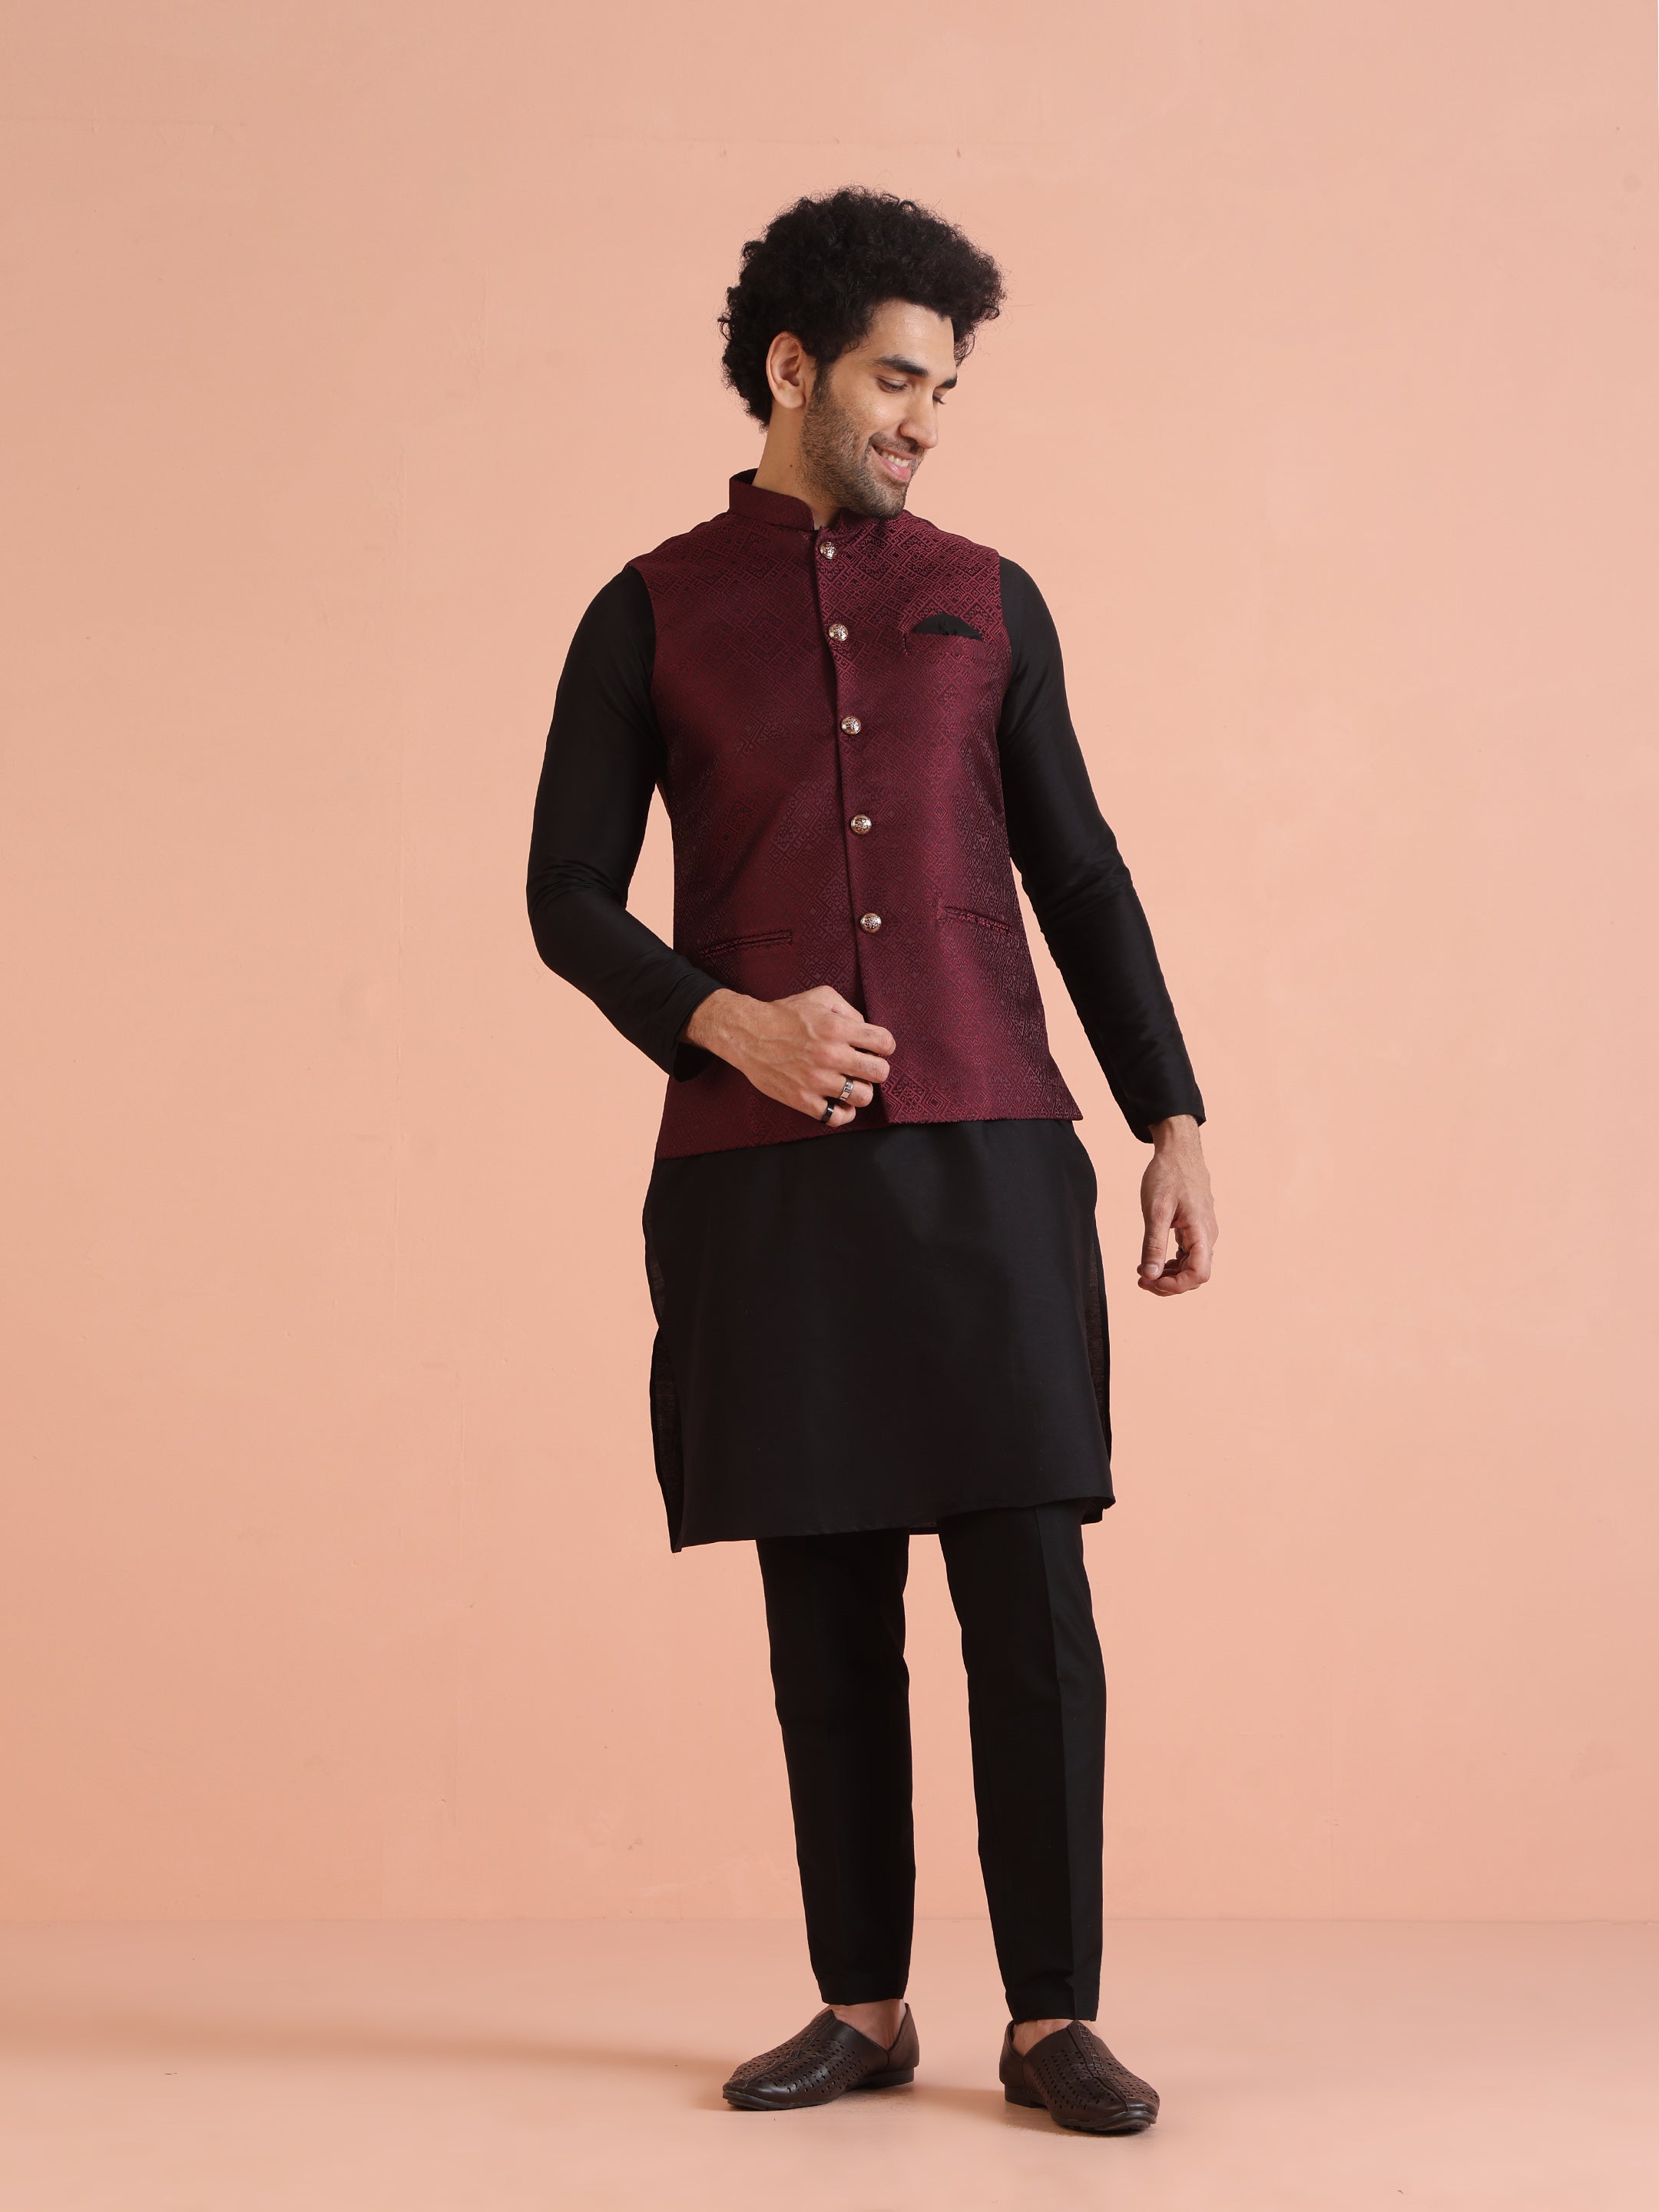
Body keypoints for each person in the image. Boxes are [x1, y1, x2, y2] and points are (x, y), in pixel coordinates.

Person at [525, 186, 1217, 2137]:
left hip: (993, 1146)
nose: (924, 419)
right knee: (823, 1599)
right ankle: (864, 2005)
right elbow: (564, 893)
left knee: (1029, 1596)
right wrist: (721, 1020)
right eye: (898, 379)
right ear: (791, 368)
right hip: (760, 1166)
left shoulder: (990, 599)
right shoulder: (649, 610)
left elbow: (1080, 870)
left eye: (944, 389)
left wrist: (1170, 1111)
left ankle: (1052, 2018)